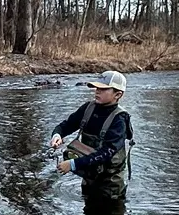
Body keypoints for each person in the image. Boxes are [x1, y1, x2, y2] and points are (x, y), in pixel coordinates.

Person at [50, 70, 133, 204]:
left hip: (110, 185)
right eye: (96, 87)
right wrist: (57, 135)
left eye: (103, 89)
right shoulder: (88, 108)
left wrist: (72, 164)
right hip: (89, 176)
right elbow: (66, 125)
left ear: (118, 94)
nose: (97, 91)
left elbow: (106, 153)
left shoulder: (120, 120)